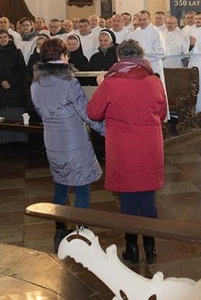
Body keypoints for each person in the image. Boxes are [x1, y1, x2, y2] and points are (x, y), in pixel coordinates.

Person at [87, 39, 167, 265]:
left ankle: (131, 247)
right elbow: (161, 113)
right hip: (149, 143)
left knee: (128, 198)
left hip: (122, 145)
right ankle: (150, 248)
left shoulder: (112, 83)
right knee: (148, 197)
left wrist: (101, 83)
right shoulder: (154, 81)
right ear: (141, 58)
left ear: (119, 58)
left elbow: (93, 112)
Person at [31, 38, 104, 252]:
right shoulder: (68, 81)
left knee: (60, 185)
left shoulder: (35, 83)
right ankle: (82, 233)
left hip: (51, 137)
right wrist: (106, 130)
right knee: (81, 186)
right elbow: (87, 113)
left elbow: (39, 110)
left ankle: (60, 231)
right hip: (72, 137)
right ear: (63, 56)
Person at [0, 28, 27, 143]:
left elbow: (21, 69)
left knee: (15, 115)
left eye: (5, 37)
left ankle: (18, 141)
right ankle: (2, 141)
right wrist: (1, 82)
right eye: (0, 37)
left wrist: (11, 82)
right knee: (1, 116)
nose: (3, 39)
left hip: (15, 89)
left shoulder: (17, 52)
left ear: (9, 38)